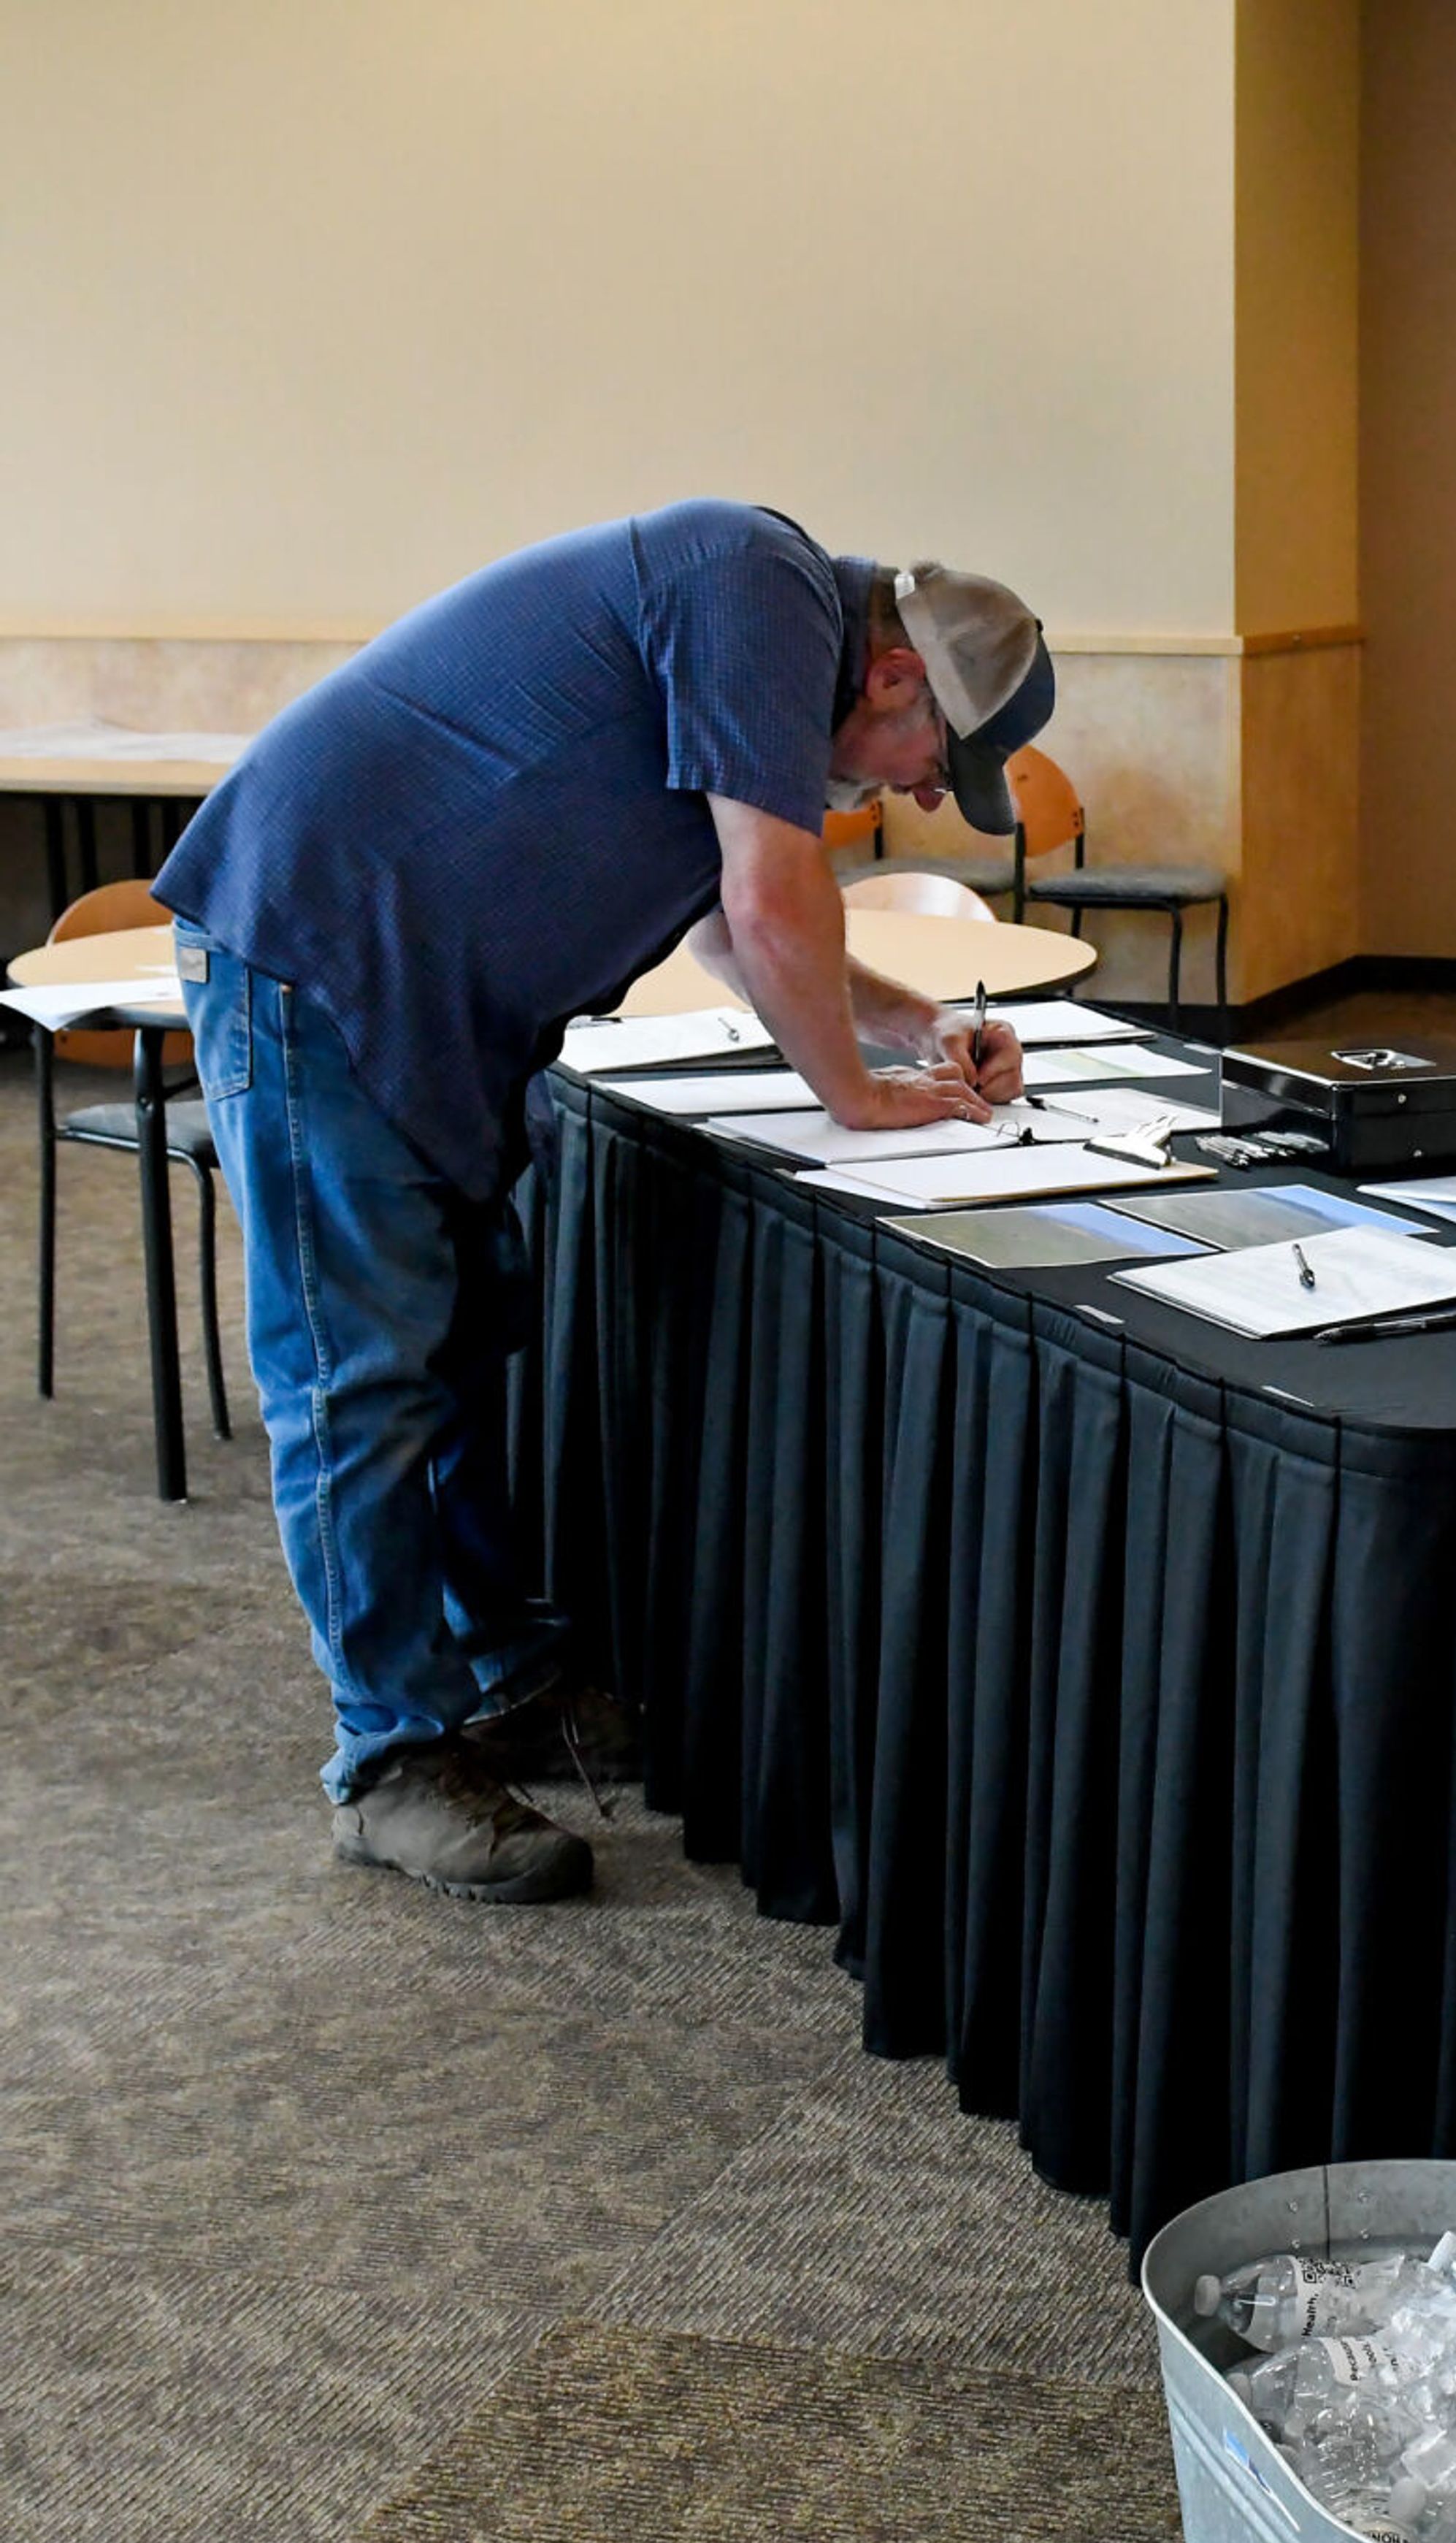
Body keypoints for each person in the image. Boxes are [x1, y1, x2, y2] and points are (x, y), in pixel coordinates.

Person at [152, 500, 1054, 1904]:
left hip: (415, 992)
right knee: (359, 1380)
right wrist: (859, 1099)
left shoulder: (763, 650)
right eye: (941, 762)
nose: (928, 797)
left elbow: (730, 924)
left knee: (453, 1347)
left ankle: (503, 1670)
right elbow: (767, 902)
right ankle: (386, 1762)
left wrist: (910, 1027)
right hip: (321, 950)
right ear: (894, 679)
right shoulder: (760, 586)